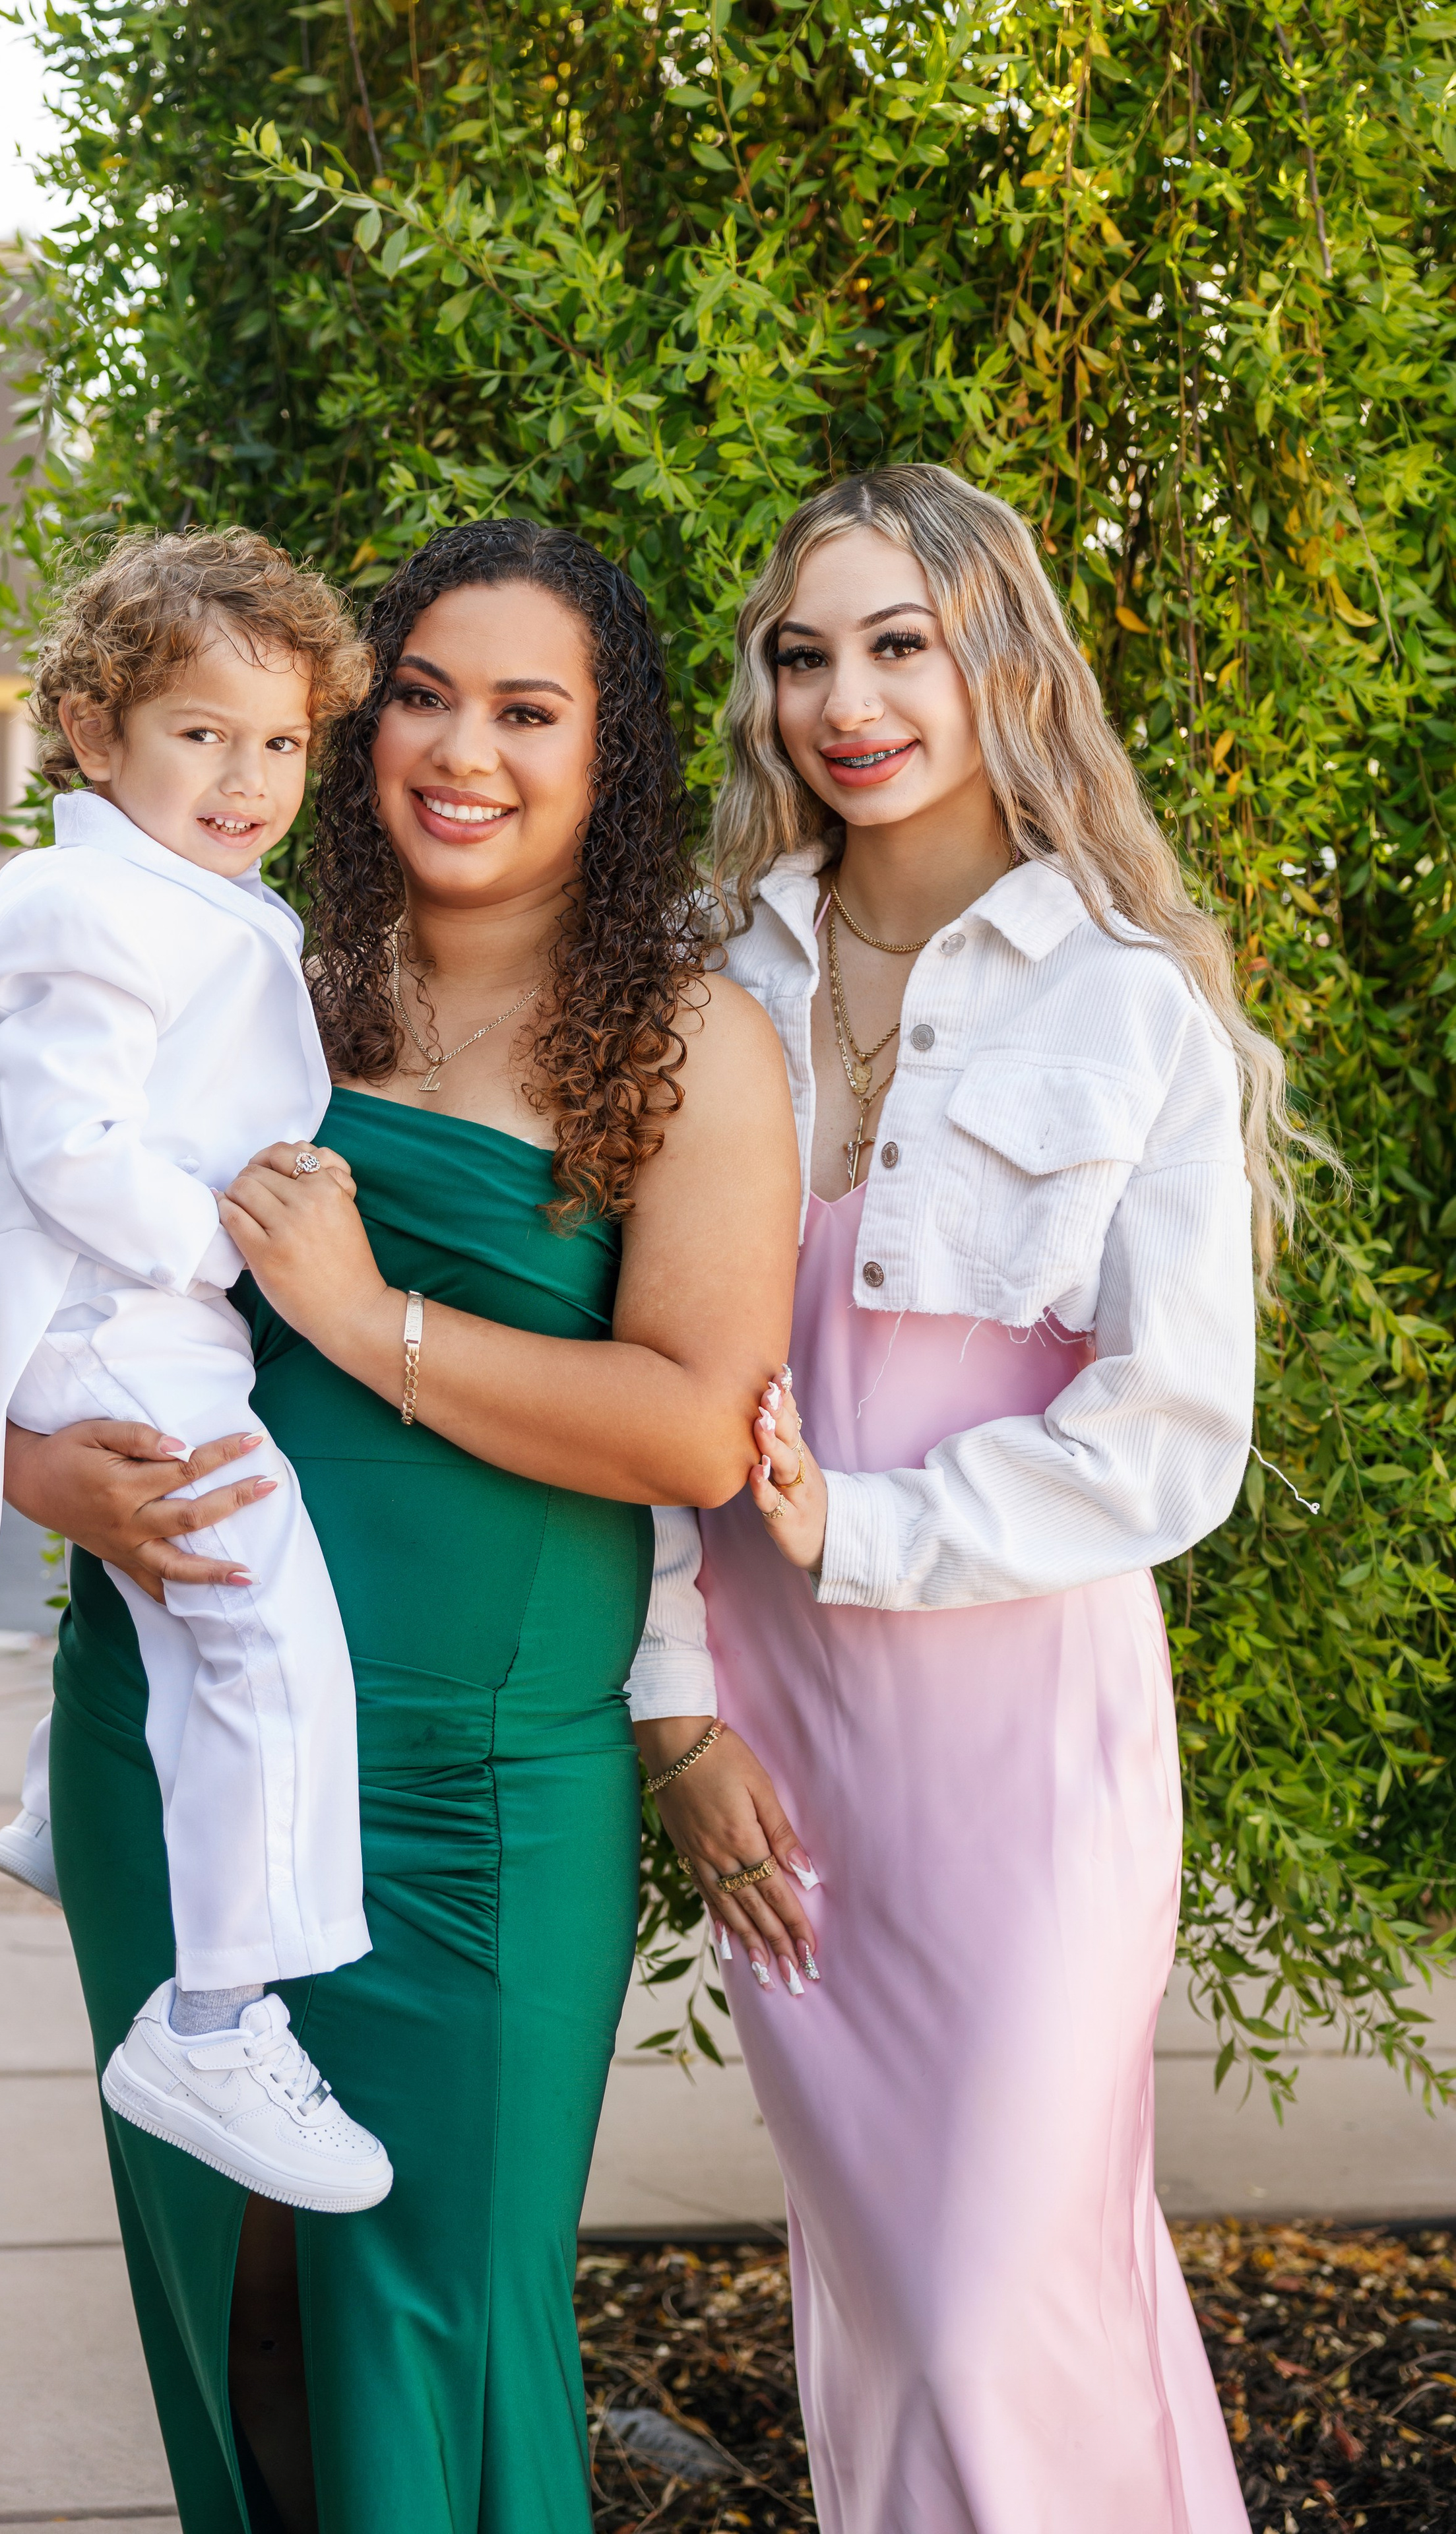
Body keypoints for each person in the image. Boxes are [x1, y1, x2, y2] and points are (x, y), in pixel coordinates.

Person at [0, 518, 806, 2533]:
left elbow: (697, 1423)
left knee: (432, 2311)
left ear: (609, 753)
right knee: (239, 2310)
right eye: (424, 695)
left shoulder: (691, 1040)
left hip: (478, 1801)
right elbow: (42, 1257)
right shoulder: (254, 965)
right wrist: (40, 1472)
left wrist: (368, 1318)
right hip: (177, 1751)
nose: (462, 749)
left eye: (527, 710)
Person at [641, 464, 1272, 2531]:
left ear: (999, 656)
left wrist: (869, 1524)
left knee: (1002, 2280)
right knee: (896, 2300)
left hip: (1032, 1750)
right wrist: (676, 1710)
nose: (848, 696)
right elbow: (640, 1386)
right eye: (803, 651)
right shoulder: (704, 982)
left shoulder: (1124, 995)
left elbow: (1170, 1432)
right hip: (785, 1740)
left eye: (898, 640)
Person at [0, 528, 391, 2216]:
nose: (248, 774)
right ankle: (213, 2014)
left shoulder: (196, 895)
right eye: (202, 732)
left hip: (147, 1306)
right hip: (107, 1307)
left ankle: (67, 1814)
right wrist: (234, 1242)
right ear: (87, 725)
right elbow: (69, 1144)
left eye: (281, 741)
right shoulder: (82, 901)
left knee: (198, 1604)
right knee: (263, 1616)